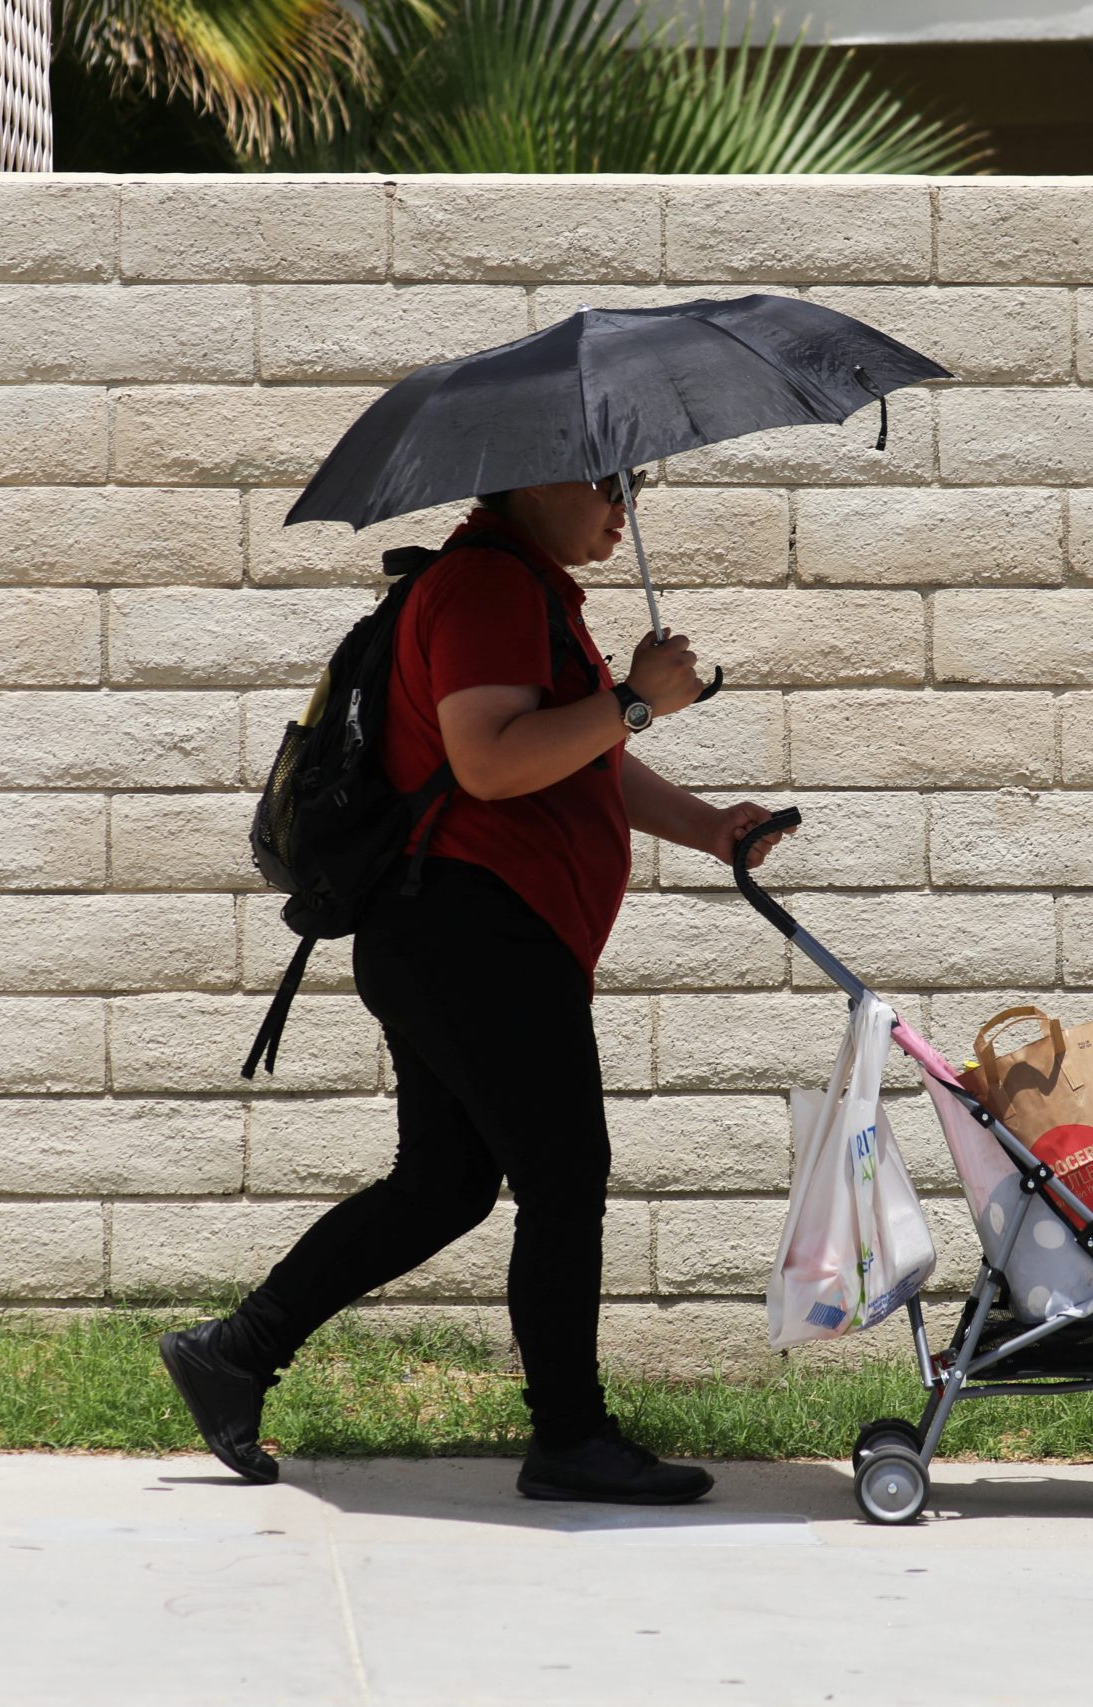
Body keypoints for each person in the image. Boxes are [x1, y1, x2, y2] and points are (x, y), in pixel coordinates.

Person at [159, 471, 790, 1504]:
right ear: (537, 479)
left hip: (458, 933)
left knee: (444, 1185)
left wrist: (707, 822)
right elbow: (491, 762)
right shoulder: (489, 589)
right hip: (473, 932)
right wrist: (632, 699)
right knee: (563, 1174)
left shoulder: (524, 588)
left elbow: (580, 759)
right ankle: (570, 1437)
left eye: (631, 482)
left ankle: (235, 1351)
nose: (621, 504)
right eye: (605, 482)